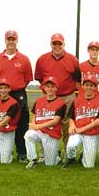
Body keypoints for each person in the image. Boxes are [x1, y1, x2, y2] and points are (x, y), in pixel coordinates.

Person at [35, 33, 80, 161]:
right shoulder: (42, 59)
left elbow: (77, 80)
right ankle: (44, 154)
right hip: (49, 97)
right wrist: (49, 92)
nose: (57, 46)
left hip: (67, 97)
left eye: (59, 43)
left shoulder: (72, 59)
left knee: (67, 127)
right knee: (45, 125)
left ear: (64, 44)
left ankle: (67, 153)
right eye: (54, 43)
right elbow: (39, 78)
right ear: (51, 44)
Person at [0, 30, 33, 162]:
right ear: (5, 40)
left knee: (21, 123)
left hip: (18, 92)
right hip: (1, 92)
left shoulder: (24, 59)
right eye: (8, 39)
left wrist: (16, 89)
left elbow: (27, 79)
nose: (11, 42)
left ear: (17, 41)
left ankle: (22, 152)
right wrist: (2, 90)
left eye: (13, 39)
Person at [62, 75, 99, 169]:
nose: (89, 87)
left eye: (91, 85)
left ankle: (84, 153)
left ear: (95, 87)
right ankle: (71, 158)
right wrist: (71, 125)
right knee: (71, 145)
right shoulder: (76, 101)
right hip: (77, 131)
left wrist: (82, 129)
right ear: (83, 86)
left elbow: (98, 121)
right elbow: (71, 117)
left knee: (89, 166)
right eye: (86, 85)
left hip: (91, 134)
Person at [24, 77, 65, 169]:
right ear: (44, 88)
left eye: (52, 86)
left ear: (56, 88)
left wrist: (37, 126)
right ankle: (32, 160)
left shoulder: (61, 103)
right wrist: (33, 124)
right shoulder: (39, 101)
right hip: (39, 132)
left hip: (52, 134)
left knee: (50, 164)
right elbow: (35, 115)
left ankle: (56, 156)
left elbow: (55, 121)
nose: (50, 89)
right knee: (28, 135)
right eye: (47, 86)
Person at [79, 40, 99, 164]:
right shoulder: (81, 66)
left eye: (96, 49)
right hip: (83, 101)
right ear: (88, 51)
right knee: (81, 127)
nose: (94, 52)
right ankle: (82, 151)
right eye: (92, 49)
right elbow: (77, 84)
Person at [0, 78, 21, 165]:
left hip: (7, 131)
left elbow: (5, 121)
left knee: (5, 162)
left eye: (5, 88)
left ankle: (8, 153)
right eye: (1, 88)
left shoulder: (13, 103)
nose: (3, 90)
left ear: (9, 89)